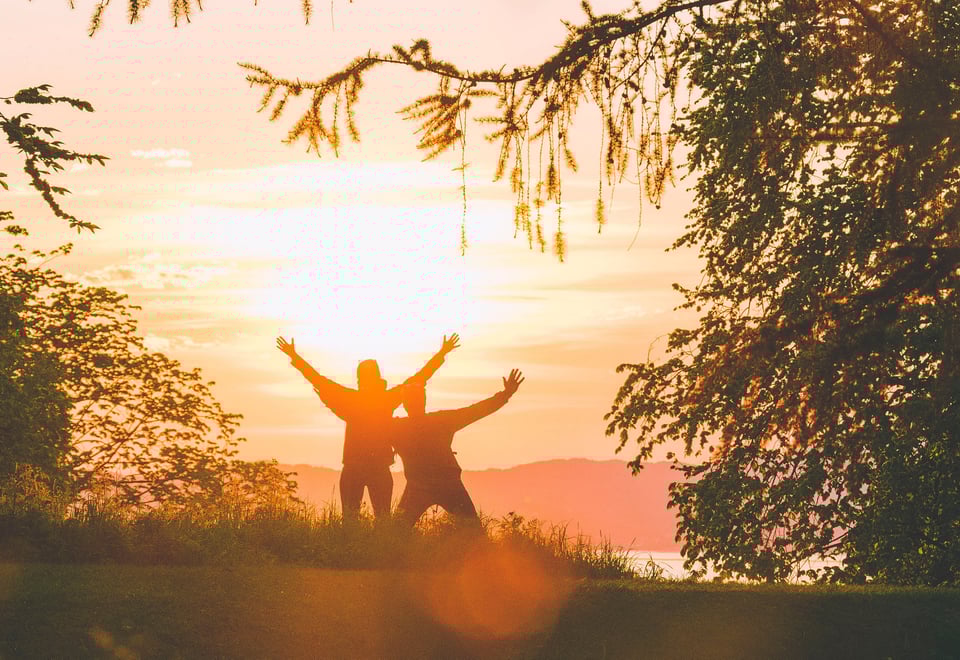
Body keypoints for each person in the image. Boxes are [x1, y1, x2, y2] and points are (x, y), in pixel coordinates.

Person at [276, 333, 460, 520]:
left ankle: (354, 548)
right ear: (378, 376)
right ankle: (380, 548)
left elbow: (317, 379)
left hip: (354, 466)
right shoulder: (386, 398)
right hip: (377, 467)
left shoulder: (353, 398)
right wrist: (442, 353)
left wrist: (294, 357)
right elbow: (419, 378)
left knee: (351, 520)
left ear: (359, 378)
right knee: (382, 520)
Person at [392, 368, 524, 528]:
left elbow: (475, 411)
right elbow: (475, 411)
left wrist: (505, 395)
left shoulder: (397, 428)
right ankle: (481, 550)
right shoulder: (441, 420)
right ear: (424, 401)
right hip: (446, 483)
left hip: (422, 485)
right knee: (472, 529)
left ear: (405, 404)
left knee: (396, 530)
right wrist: (505, 395)